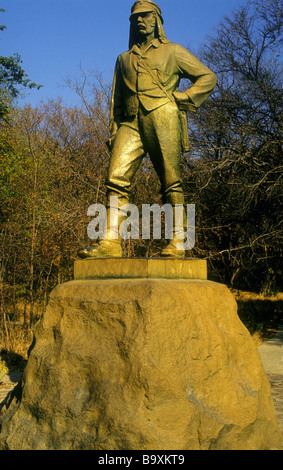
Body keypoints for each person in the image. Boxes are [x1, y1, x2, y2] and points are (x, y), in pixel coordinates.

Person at [78, 0, 217, 259]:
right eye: (135, 18)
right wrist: (114, 130)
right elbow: (115, 100)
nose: (140, 21)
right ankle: (109, 242)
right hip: (130, 124)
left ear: (157, 20)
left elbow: (208, 77)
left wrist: (183, 98)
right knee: (115, 179)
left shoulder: (173, 51)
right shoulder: (123, 59)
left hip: (162, 118)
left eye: (145, 16)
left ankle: (179, 240)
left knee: (171, 180)